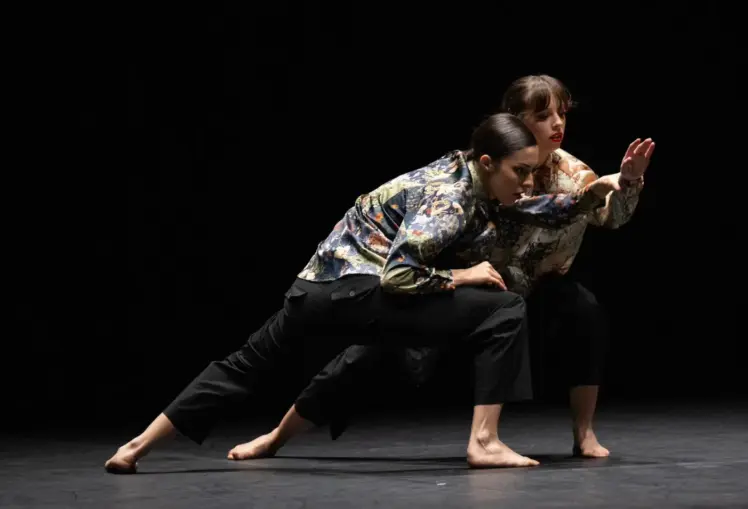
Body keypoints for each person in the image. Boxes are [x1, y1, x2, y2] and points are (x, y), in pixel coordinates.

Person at [105, 113, 623, 474]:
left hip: (311, 291)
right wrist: (461, 278)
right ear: (487, 161)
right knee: (504, 309)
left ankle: (136, 446)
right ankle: (484, 442)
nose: (529, 183)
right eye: (521, 172)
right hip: (359, 288)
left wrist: (594, 193)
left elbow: (527, 209)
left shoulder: (467, 178)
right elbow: (399, 276)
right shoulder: (447, 198)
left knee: (244, 364)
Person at [224, 75, 655, 463]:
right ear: (515, 121)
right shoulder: (492, 166)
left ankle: (581, 435)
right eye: (543, 116)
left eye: (562, 113)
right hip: (475, 287)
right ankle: (277, 436)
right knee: (367, 356)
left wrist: (625, 184)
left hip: (538, 289)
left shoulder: (571, 172)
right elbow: (519, 209)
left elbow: (609, 215)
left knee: (585, 312)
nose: (557, 124)